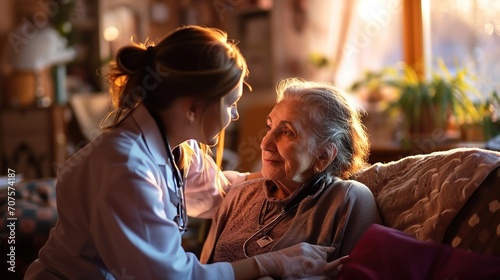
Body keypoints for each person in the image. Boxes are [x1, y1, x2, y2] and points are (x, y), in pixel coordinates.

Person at [24, 26, 338, 280]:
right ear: (191, 108)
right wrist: (274, 263)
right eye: (230, 104)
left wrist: (317, 174)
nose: (235, 115)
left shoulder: (177, 146)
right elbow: (171, 277)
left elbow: (221, 193)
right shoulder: (127, 169)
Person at [201, 78, 382, 265]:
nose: (265, 144)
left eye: (287, 132)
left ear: (324, 155)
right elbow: (201, 273)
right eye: (269, 127)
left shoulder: (347, 200)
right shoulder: (238, 196)